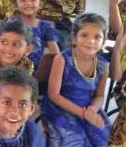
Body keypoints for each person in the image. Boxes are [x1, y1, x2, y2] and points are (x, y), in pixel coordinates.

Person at [41, 13, 112, 146]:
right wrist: (82, 113)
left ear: (103, 42)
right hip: (59, 107)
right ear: (74, 38)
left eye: (97, 37)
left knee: (105, 138)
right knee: (75, 140)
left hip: (87, 106)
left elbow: (100, 96)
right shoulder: (62, 59)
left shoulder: (103, 66)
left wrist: (92, 110)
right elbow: (53, 95)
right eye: (84, 35)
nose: (91, 41)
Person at [11, 0, 60, 73]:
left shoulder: (45, 26)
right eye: (23, 0)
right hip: (13, 68)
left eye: (33, 0)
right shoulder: (11, 23)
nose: (28, 3)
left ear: (40, 5)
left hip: (37, 71)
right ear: (15, 5)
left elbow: (55, 54)